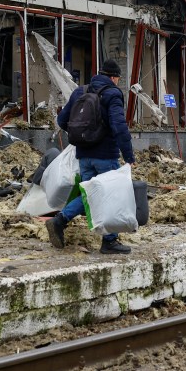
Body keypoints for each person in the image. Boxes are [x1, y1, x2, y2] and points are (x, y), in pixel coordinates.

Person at [48, 58, 135, 255]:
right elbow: (119, 127)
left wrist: (84, 136)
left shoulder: (81, 91)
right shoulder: (113, 94)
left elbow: (62, 120)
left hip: (84, 154)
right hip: (105, 155)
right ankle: (110, 241)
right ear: (114, 77)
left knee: (89, 195)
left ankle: (60, 220)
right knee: (109, 196)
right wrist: (129, 155)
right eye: (118, 79)